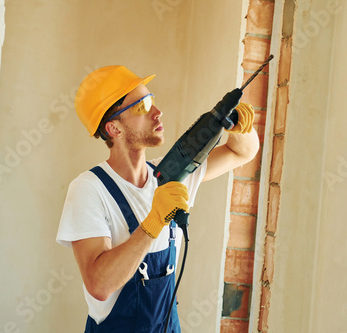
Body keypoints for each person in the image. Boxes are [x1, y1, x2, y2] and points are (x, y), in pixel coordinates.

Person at [56, 65, 259, 332]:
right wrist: (153, 223)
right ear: (114, 128)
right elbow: (99, 285)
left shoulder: (174, 170)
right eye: (142, 106)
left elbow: (241, 153)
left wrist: (242, 127)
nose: (157, 111)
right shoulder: (89, 189)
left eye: (151, 100)